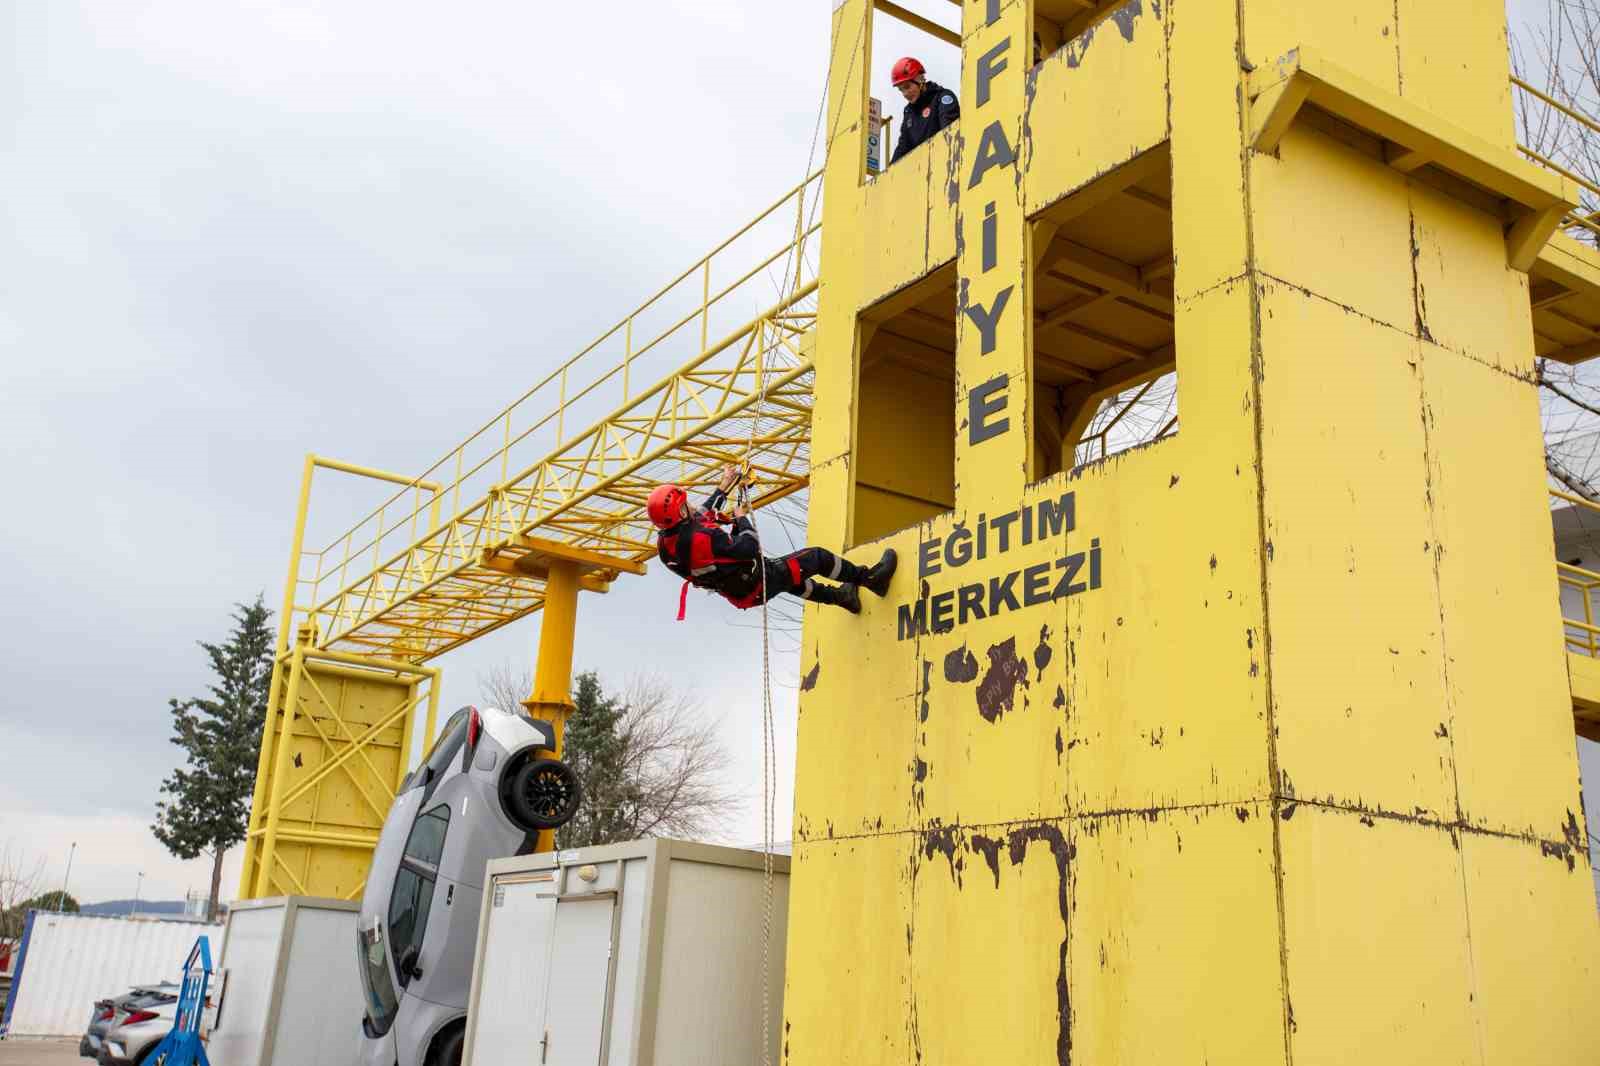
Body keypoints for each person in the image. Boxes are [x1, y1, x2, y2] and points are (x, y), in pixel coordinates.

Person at [649, 466, 897, 618]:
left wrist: (723, 488)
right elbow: (749, 547)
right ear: (681, 514)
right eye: (686, 504)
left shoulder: (666, 545)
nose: (692, 505)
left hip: (740, 591)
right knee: (816, 558)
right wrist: (741, 519)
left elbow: (701, 516)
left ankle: (843, 598)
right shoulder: (705, 538)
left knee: (792, 579)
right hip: (757, 579)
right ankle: (870, 579)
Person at [889, 57, 960, 166]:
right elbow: (902, 147)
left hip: (946, 164)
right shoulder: (909, 113)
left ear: (920, 80)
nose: (905, 94)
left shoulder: (942, 98)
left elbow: (950, 133)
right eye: (901, 90)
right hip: (921, 172)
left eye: (907, 87)